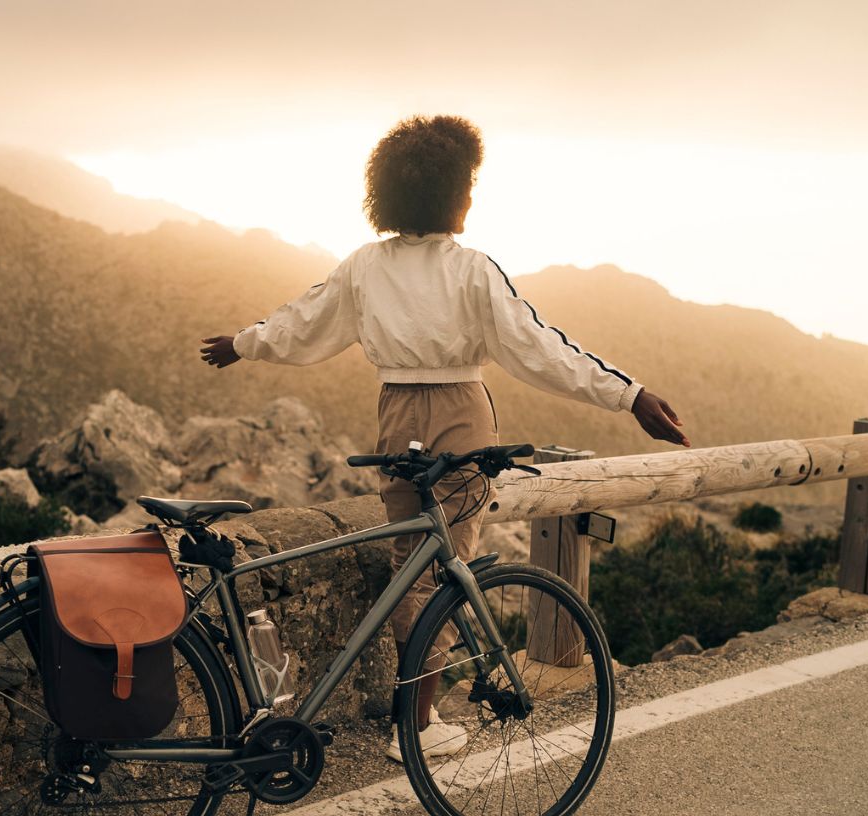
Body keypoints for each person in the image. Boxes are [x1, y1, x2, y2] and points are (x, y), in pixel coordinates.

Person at [200, 114, 689, 762]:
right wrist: (628, 394)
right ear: (454, 191)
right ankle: (420, 727)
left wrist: (243, 343)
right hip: (462, 414)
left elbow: (303, 321)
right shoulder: (473, 271)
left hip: (396, 415)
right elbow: (541, 348)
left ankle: (414, 718)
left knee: (412, 569)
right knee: (447, 568)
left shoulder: (364, 267)